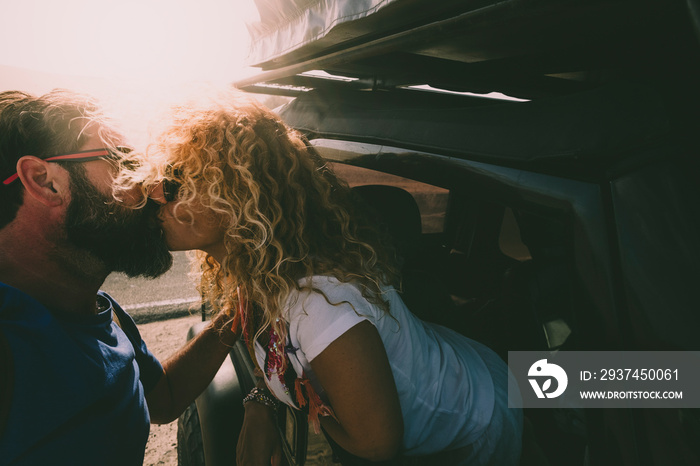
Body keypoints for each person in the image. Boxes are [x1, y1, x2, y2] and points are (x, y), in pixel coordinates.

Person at [134, 88, 523, 465]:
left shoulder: (319, 304)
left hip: (477, 417)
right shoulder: (264, 275)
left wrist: (298, 405)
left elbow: (376, 443)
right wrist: (262, 401)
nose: (155, 194)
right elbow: (267, 349)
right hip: (459, 370)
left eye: (173, 183)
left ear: (235, 196)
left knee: (578, 395)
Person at [0, 89, 238, 465]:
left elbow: (163, 399)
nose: (156, 187)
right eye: (128, 163)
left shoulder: (98, 309)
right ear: (46, 182)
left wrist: (241, 309)